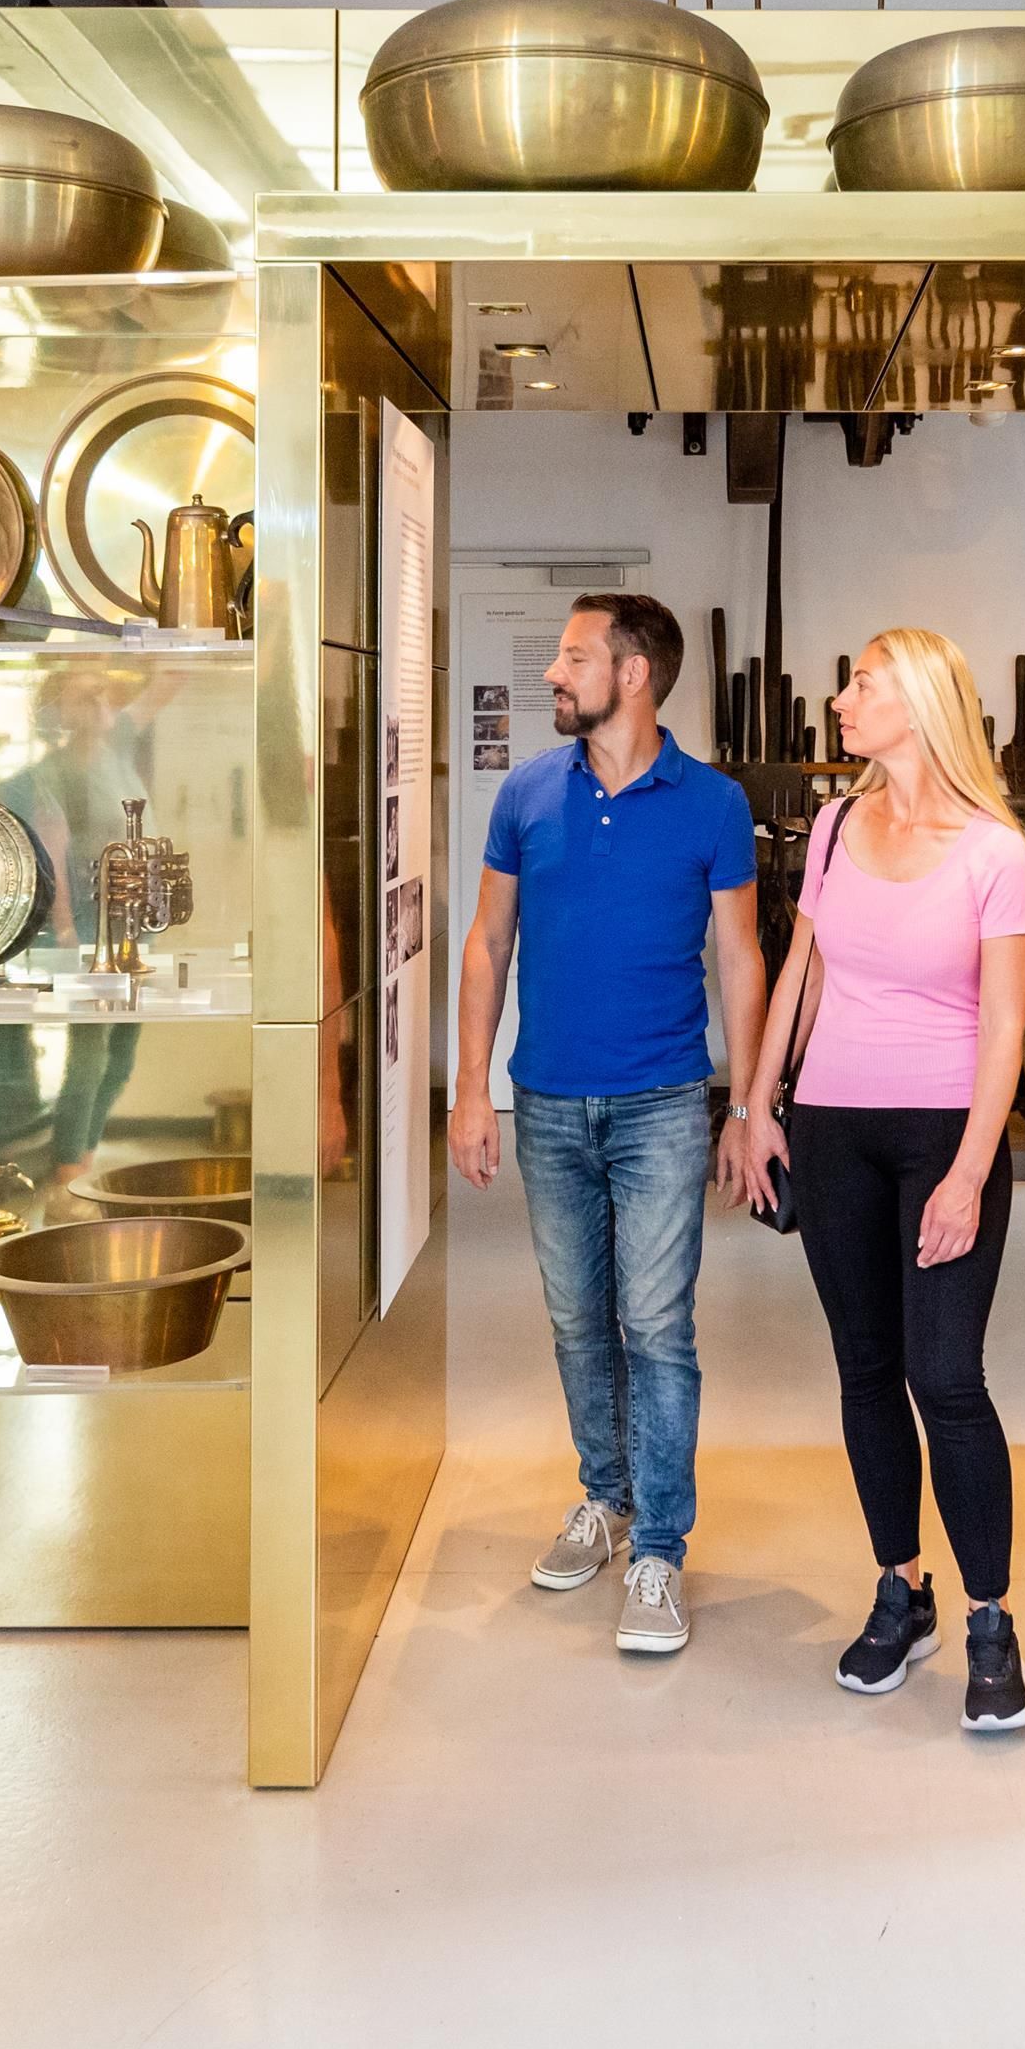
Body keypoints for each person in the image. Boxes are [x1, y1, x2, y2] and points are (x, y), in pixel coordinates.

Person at [727, 628, 1025, 1733]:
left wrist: (968, 1173)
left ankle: (991, 1618)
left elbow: (1005, 1027)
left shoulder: (996, 854)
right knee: (866, 1369)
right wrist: (757, 1106)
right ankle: (901, 1590)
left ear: (917, 701)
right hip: (832, 1131)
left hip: (944, 1137)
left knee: (945, 1377)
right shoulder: (834, 827)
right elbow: (802, 972)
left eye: (861, 683)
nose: (842, 699)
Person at [449, 594, 766, 1658]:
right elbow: (487, 943)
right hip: (545, 1101)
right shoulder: (527, 793)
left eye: (574, 656)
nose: (553, 672)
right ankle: (607, 1495)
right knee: (578, 1321)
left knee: (656, 1326)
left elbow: (740, 960)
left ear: (633, 674)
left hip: (663, 1105)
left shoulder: (713, 804)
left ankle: (659, 1548)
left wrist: (746, 1105)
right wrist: (470, 1088)